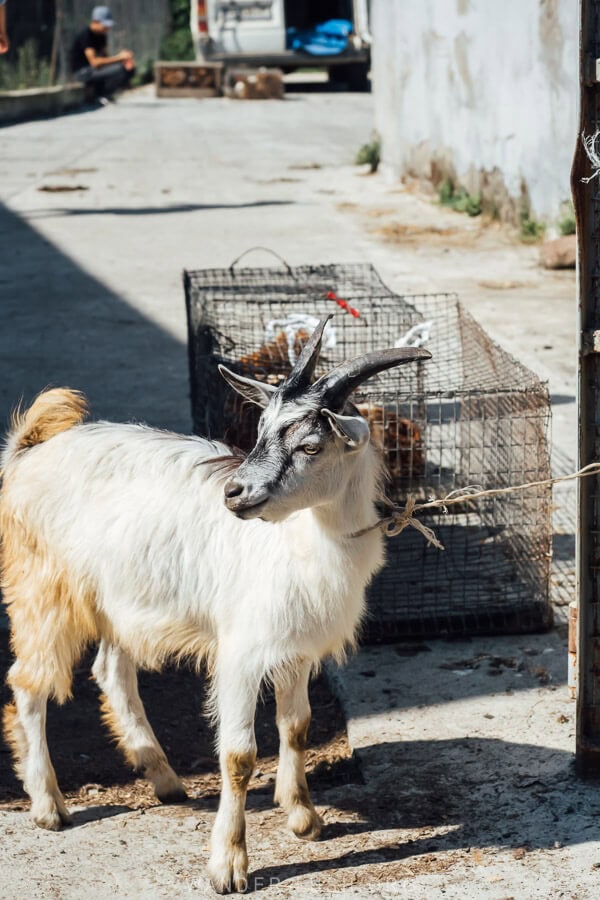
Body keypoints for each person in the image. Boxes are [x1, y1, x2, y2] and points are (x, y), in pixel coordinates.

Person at [71, 6, 135, 102]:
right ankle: (101, 94)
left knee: (127, 69)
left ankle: (105, 93)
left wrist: (125, 61)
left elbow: (105, 59)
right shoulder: (86, 35)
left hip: (94, 71)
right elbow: (95, 62)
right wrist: (120, 58)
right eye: (105, 26)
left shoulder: (102, 36)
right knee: (120, 68)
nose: (107, 28)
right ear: (95, 21)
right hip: (82, 72)